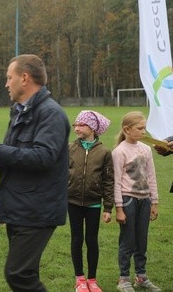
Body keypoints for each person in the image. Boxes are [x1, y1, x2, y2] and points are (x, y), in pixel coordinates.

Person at [0, 54, 70, 292]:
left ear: (24, 78)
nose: (6, 84)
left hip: (37, 209)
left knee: (19, 274)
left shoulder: (51, 114)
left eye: (9, 77)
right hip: (19, 206)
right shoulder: (18, 112)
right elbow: (18, 156)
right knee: (24, 273)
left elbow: (42, 157)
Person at [112, 111, 161, 292]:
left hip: (145, 201)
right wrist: (119, 208)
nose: (143, 132)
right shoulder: (119, 152)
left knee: (142, 241)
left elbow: (151, 177)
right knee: (128, 241)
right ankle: (123, 279)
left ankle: (141, 277)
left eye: (144, 128)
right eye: (140, 128)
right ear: (127, 129)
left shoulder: (146, 149)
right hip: (128, 201)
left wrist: (154, 202)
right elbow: (116, 182)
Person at [68, 110, 114, 292]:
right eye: (76, 125)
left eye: (81, 125)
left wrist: (108, 207)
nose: (77, 128)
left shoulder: (104, 152)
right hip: (72, 202)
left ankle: (92, 280)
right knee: (76, 239)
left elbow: (108, 181)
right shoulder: (70, 148)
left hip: (94, 203)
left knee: (92, 240)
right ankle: (80, 279)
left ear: (93, 128)